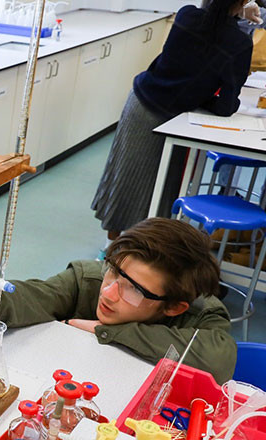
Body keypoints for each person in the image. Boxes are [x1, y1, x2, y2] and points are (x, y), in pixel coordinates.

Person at [0, 218, 237, 384]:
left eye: (134, 289)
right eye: (114, 271)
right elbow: (34, 296)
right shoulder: (89, 280)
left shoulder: (199, 313)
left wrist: (104, 331)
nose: (109, 291)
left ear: (173, 306)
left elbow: (219, 360)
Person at [91, 0, 253, 257]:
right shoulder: (239, 43)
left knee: (125, 178)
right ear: (244, 2)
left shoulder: (187, 15)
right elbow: (225, 105)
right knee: (161, 187)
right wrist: (203, 98)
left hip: (142, 104)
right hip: (176, 119)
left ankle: (115, 247)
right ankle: (131, 252)